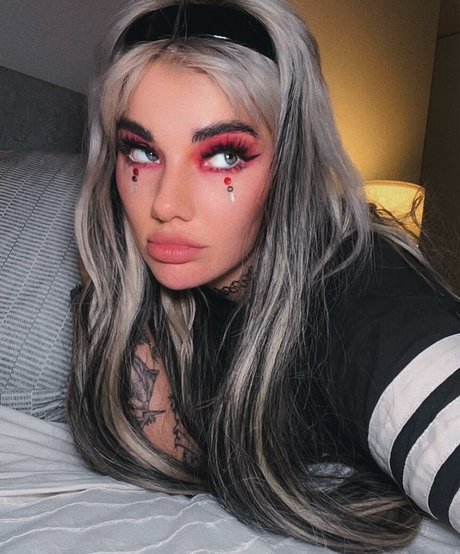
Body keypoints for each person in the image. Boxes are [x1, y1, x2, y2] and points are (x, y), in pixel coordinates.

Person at [68, 0, 460, 551]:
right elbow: (165, 453)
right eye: (142, 152)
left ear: (291, 163)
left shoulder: (359, 290)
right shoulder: (178, 294)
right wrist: (108, 270)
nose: (165, 205)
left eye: (224, 156)